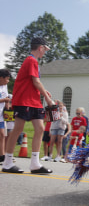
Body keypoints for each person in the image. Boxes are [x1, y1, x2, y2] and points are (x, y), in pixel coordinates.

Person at [2, 36, 55, 174]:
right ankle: (7, 162)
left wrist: (42, 91)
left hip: (34, 101)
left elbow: (35, 82)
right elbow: (36, 81)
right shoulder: (31, 60)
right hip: (24, 100)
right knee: (18, 129)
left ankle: (35, 164)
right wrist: (47, 99)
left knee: (40, 128)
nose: (45, 52)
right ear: (40, 48)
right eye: (45, 49)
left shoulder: (33, 61)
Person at [0, 69, 11, 159]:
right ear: (1, 78)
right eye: (7, 79)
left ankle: (2, 155)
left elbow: (6, 97)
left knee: (2, 134)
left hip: (0, 114)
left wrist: (8, 109)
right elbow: (5, 99)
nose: (8, 81)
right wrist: (4, 100)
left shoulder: (5, 86)